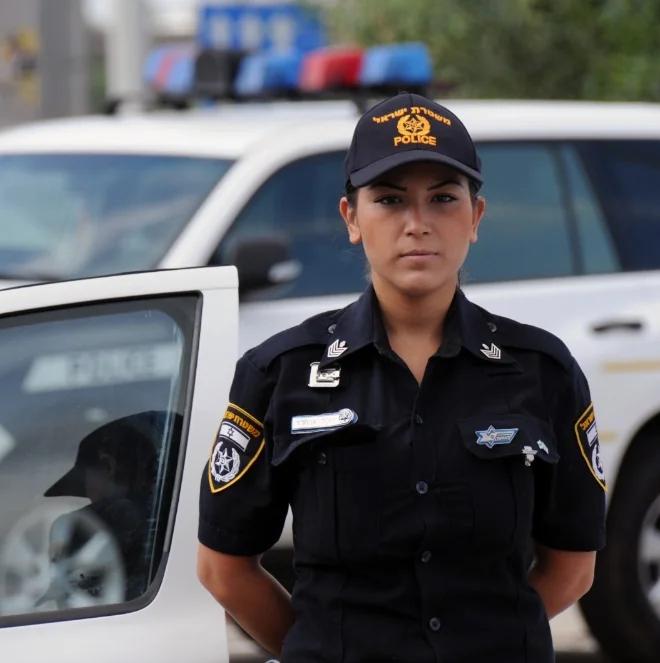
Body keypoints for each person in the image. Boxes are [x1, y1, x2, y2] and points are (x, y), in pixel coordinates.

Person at [196, 92, 607, 663]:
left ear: (476, 217)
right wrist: (320, 650)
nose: (418, 224)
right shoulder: (278, 373)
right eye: (389, 200)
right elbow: (223, 567)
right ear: (351, 219)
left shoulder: (543, 371)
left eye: (443, 198)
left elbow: (573, 565)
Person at [42, 411, 171, 605]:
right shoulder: (169, 513)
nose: (88, 495)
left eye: (85, 482)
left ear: (107, 466)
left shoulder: (80, 530)